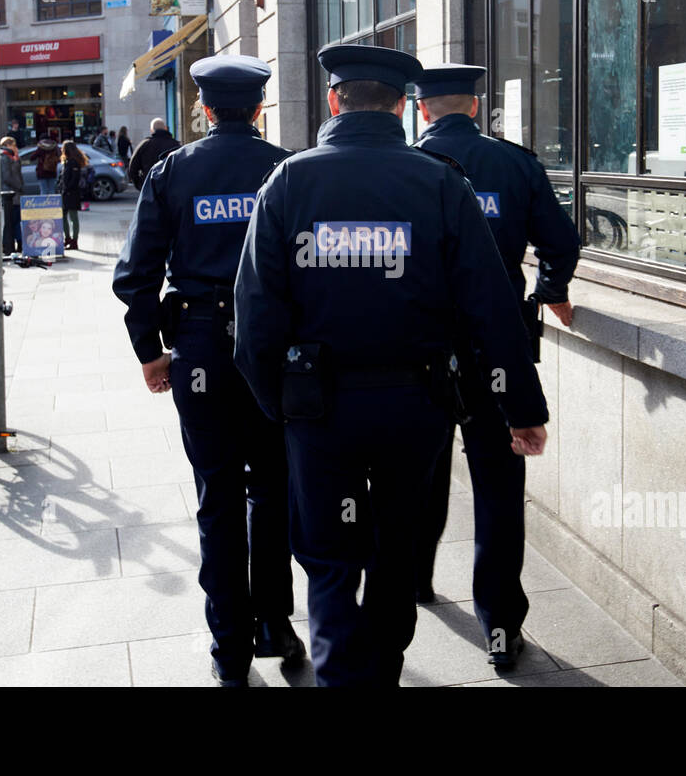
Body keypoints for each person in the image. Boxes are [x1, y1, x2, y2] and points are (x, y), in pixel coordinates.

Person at [233, 45, 550, 687]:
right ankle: (380, 674)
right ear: (404, 106)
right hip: (417, 409)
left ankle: (340, 678)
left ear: (333, 100)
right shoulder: (439, 182)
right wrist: (523, 408)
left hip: (319, 412)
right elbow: (492, 307)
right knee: (395, 552)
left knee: (328, 561)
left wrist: (281, 408)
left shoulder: (289, 182)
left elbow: (255, 319)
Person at [112, 55, 302, 687]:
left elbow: (136, 274)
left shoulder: (173, 171)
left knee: (217, 495)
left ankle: (229, 648)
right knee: (272, 486)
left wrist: (149, 352)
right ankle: (275, 621)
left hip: (199, 347)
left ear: (203, 107)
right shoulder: (284, 168)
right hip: (271, 348)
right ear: (258, 108)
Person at [410, 63, 581, 668]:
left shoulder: (408, 166)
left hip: (425, 349)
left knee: (418, 477)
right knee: (500, 488)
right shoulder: (515, 164)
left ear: (424, 110)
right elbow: (562, 242)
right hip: (499, 346)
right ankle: (501, 626)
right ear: (476, 108)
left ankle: (416, 580)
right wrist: (550, 289)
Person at [128, 117, 179, 191]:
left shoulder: (144, 144)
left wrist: (141, 185)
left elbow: (132, 169)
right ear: (165, 128)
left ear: (151, 130)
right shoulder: (175, 145)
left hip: (150, 187)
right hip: (171, 188)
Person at [58, 140, 87, 251]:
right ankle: (68, 239)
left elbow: (74, 179)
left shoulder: (73, 162)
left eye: (63, 148)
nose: (61, 150)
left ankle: (74, 241)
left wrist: (67, 189)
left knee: (73, 217)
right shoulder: (67, 162)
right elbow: (63, 179)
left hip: (71, 193)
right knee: (63, 217)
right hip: (65, 193)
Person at [0, 135, 25, 255]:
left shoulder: (14, 158)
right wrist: (18, 186)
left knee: (16, 220)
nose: (15, 147)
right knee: (11, 220)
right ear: (6, 146)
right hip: (10, 194)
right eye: (12, 145)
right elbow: (7, 177)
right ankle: (9, 245)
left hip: (16, 194)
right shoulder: (4, 158)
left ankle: (19, 243)